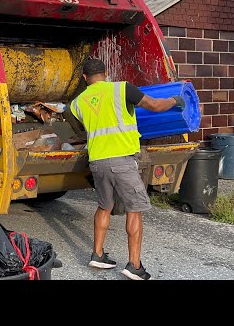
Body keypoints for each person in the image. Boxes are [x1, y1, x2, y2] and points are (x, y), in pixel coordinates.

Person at [68, 57, 185, 280]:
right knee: (134, 209)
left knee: (104, 206)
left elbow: (79, 126)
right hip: (122, 161)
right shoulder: (122, 88)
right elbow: (154, 105)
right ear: (105, 73)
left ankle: (98, 254)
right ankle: (134, 265)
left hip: (97, 162)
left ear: (85, 78)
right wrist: (174, 100)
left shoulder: (77, 103)